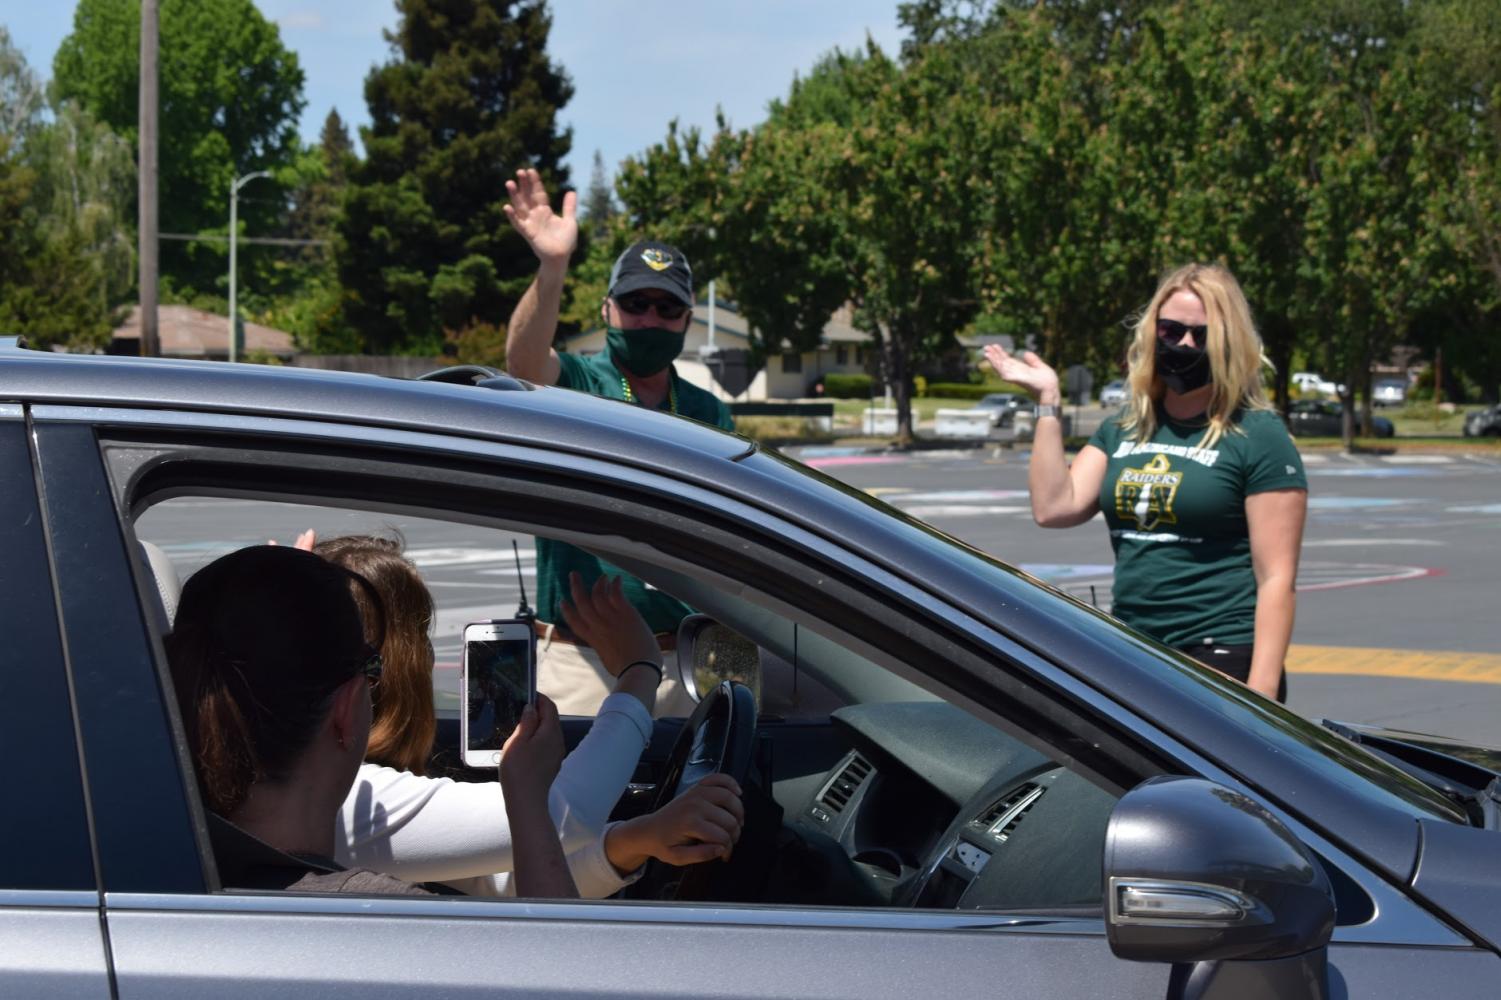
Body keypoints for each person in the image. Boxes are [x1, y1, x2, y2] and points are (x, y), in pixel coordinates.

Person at [314, 533, 745, 897]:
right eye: (421, 637)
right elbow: (560, 817)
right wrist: (639, 672)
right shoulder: (351, 800)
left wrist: (636, 841)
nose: (427, 656)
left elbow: (498, 877)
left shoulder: (338, 790)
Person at [165, 544, 577, 898]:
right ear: (345, 712)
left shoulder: (150, 870)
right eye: (372, 667)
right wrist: (529, 804)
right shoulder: (393, 923)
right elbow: (566, 974)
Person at [985, 264, 1307, 701]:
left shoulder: (1258, 434)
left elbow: (1276, 578)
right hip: (1136, 649)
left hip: (1220, 652)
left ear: (1228, 344)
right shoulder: (1126, 427)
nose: (1186, 345)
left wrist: (1262, 694)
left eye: (1202, 335)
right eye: (1172, 331)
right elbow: (1054, 507)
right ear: (1152, 334)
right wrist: (1048, 401)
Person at [503, 167, 734, 717]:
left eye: (667, 307)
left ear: (687, 321)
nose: (650, 317)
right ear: (607, 309)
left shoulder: (709, 413)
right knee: (575, 807)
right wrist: (552, 265)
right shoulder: (580, 385)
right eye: (635, 303)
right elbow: (523, 363)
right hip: (582, 666)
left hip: (689, 664)